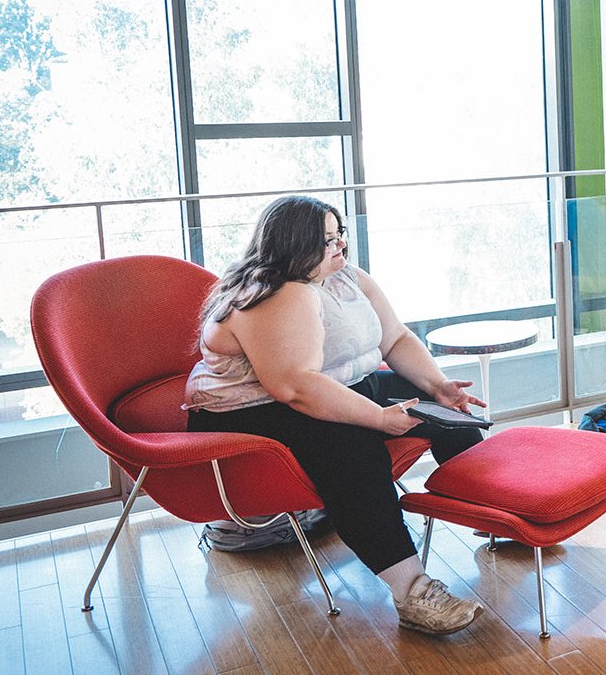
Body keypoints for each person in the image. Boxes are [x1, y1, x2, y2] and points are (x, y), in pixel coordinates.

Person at [184, 195, 487, 636]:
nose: (339, 245)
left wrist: (436, 385)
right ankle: (412, 592)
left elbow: (396, 338)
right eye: (326, 240)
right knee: (351, 445)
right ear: (294, 247)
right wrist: (378, 419)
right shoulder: (275, 295)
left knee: (438, 405)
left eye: (339, 233)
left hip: (322, 386)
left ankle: (495, 513)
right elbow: (296, 388)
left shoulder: (345, 278)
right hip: (251, 412)